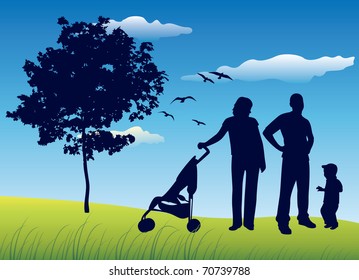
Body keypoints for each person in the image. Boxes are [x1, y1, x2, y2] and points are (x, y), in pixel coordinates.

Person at [198, 97, 266, 231]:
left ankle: (248, 222)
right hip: (238, 159)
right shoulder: (229, 121)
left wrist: (262, 160)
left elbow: (258, 142)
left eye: (236, 105)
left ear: (244, 108)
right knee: (237, 191)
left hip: (252, 160)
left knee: (251, 191)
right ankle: (237, 222)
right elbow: (219, 136)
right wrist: (206, 143)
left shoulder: (252, 122)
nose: (233, 108)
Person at [263, 93, 316, 234]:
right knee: (286, 191)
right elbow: (267, 132)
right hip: (290, 158)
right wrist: (279, 147)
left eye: (301, 102)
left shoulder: (305, 121)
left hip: (303, 159)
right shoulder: (284, 118)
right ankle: (282, 221)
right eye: (297, 102)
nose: (300, 105)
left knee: (303, 190)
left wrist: (308, 149)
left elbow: (311, 138)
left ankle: (303, 217)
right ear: (292, 104)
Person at [317, 163, 343, 230]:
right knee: (323, 211)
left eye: (326, 172)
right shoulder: (328, 181)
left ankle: (334, 224)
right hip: (326, 201)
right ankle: (329, 222)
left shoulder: (336, 181)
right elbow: (328, 190)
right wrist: (323, 189)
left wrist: (332, 190)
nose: (324, 174)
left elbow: (340, 189)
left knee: (331, 213)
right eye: (324, 172)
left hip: (333, 202)